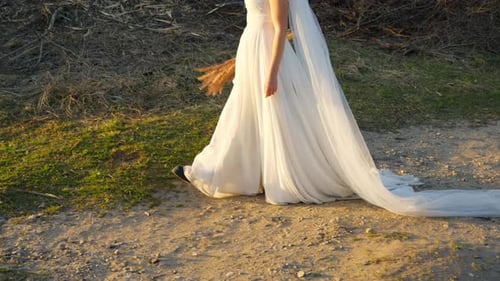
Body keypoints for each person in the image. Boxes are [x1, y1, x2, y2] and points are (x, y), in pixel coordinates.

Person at [173, 0, 500, 217]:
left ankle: (238, 173)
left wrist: (272, 72)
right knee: (246, 114)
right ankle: (238, 172)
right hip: (250, 48)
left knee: (272, 115)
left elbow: (277, 27)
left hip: (269, 57)